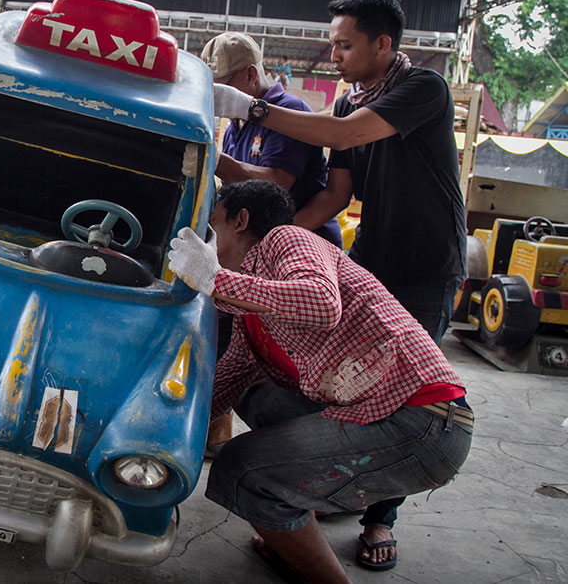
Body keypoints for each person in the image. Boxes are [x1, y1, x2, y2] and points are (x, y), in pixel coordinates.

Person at [212, 0, 467, 568]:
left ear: (383, 43)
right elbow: (335, 194)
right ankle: (322, 482)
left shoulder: (423, 88)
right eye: (332, 44)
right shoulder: (352, 101)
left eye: (344, 45)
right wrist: (271, 244)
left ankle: (380, 522)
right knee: (344, 379)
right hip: (375, 252)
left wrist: (248, 107)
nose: (334, 56)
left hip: (427, 262)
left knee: (403, 384)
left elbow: (341, 137)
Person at [167, 180, 472, 584]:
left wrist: (214, 279)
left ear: (241, 220)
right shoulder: (252, 308)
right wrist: (161, 437)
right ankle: (291, 541)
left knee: (241, 470)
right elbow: (224, 385)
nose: (206, 241)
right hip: (389, 416)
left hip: (426, 421)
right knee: (255, 394)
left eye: (213, 224)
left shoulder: (286, 239)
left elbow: (321, 302)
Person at [201, 32, 342, 248]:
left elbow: (275, 185)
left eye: (223, 90)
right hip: (267, 244)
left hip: (306, 246)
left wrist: (212, 158)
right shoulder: (235, 126)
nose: (217, 99)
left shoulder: (288, 112)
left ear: (250, 74)